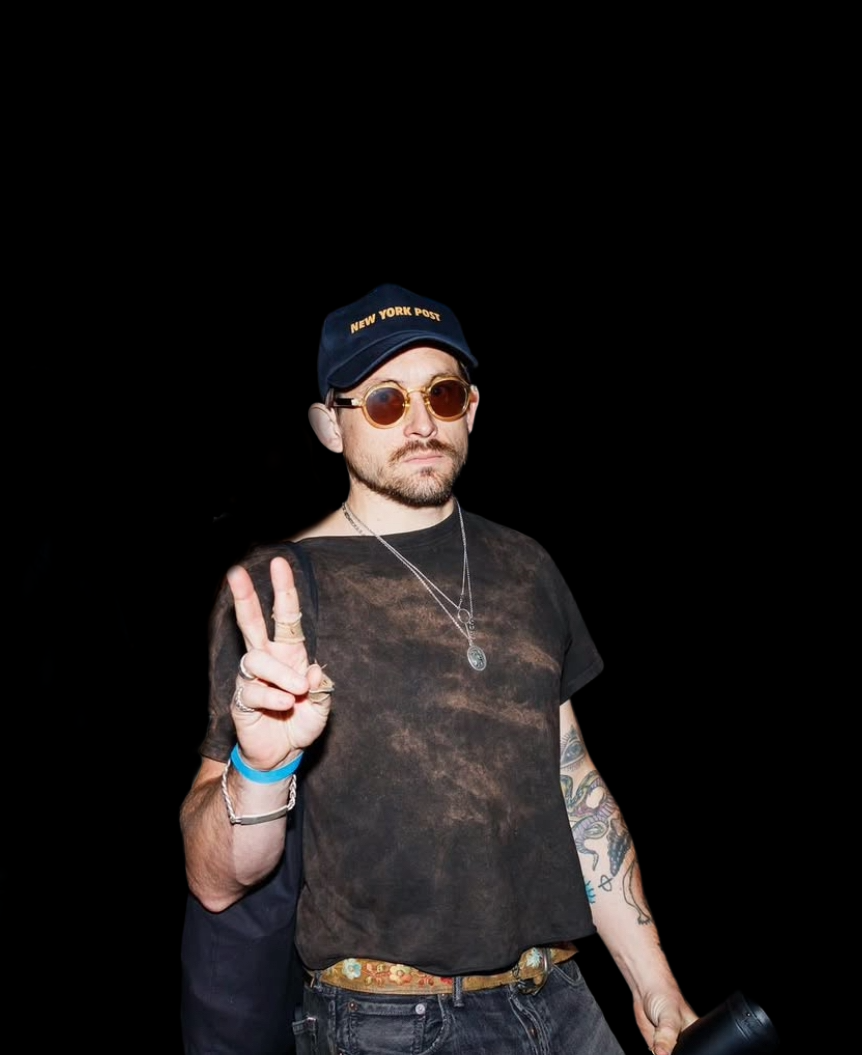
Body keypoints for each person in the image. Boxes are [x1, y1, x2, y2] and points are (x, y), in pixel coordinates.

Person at [180, 282, 699, 1055]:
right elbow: (217, 878)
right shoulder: (277, 591)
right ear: (331, 425)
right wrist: (259, 768)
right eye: (384, 400)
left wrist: (651, 977)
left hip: (564, 1002)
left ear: (473, 408)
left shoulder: (527, 567)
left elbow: (574, 783)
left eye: (443, 393)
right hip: (387, 1024)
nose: (421, 421)